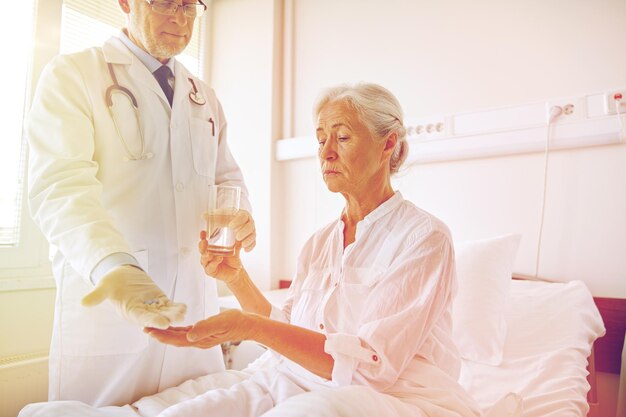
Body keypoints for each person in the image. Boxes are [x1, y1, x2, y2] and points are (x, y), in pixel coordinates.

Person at [19, 82, 481, 417]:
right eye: (320, 140)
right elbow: (287, 332)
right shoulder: (321, 242)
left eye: (341, 137)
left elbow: (372, 367)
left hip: (397, 397)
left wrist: (246, 325)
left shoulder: (424, 239)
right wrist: (236, 277)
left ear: (388, 145)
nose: (326, 153)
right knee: (188, 411)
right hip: (298, 378)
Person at [27, 0, 256, 407]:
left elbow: (226, 179)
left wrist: (239, 218)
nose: (179, 16)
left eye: (190, 5)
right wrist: (113, 267)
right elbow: (60, 187)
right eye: (165, 1)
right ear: (126, 3)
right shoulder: (75, 74)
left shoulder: (203, 97)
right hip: (112, 311)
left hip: (194, 306)